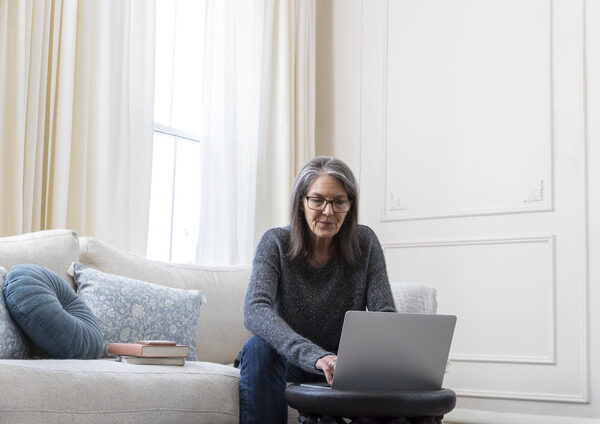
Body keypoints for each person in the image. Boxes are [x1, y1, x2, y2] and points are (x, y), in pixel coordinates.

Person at [237, 156, 396, 424]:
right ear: (302, 202)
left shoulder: (365, 242)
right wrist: (316, 357)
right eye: (317, 200)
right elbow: (254, 310)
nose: (328, 211)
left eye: (338, 202)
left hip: (344, 365)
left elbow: (385, 314)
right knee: (258, 348)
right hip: (290, 360)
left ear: (350, 206)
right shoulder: (274, 242)